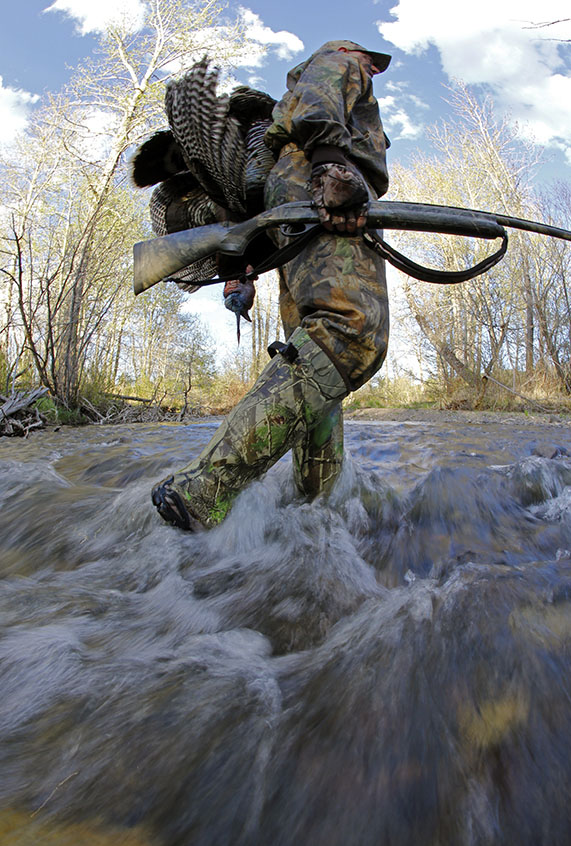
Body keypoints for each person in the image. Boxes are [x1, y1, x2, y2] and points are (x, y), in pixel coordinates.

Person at [151, 40, 392, 530]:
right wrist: (330, 167)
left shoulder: (281, 140)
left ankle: (313, 513)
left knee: (314, 350)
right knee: (350, 332)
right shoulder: (339, 60)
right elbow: (321, 101)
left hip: (297, 198)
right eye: (373, 62)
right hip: (319, 188)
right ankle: (205, 489)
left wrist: (239, 277)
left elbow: (249, 209)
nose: (373, 69)